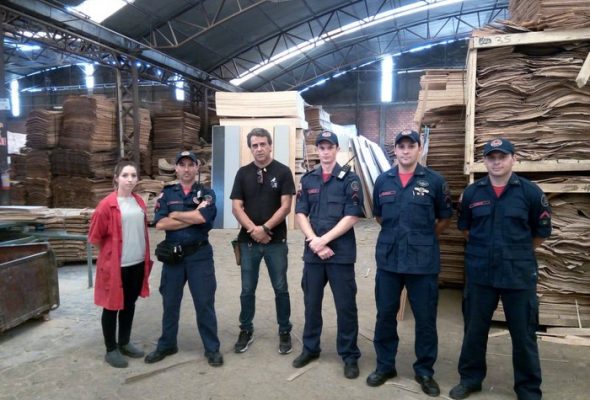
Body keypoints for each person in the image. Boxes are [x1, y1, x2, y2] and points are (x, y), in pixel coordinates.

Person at [449, 138, 552, 400]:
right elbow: (466, 229)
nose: (496, 162)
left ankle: (528, 389)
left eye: (502, 157)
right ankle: (470, 379)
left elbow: (540, 233)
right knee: (474, 331)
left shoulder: (530, 193)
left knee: (524, 334)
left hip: (518, 274)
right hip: (480, 273)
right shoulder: (472, 194)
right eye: (491, 157)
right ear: (484, 161)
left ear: (513, 159)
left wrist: (516, 252)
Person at [367, 130, 452, 396]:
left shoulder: (435, 181)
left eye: (410, 146)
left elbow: (444, 218)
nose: (405, 151)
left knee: (425, 319)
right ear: (395, 150)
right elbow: (379, 216)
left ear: (419, 148)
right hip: (389, 260)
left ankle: (424, 371)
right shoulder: (383, 180)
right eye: (401, 146)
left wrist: (423, 238)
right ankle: (385, 366)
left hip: (422, 262)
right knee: (385, 315)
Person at [293, 131, 364, 379]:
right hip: (314, 254)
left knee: (346, 307)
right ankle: (310, 349)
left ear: (336, 149)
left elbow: (352, 215)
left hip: (340, 254)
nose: (325, 152)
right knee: (311, 304)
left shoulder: (349, 179)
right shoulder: (308, 180)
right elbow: (300, 213)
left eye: (329, 147)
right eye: (321, 147)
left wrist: (323, 240)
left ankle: (349, 355)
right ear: (317, 150)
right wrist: (314, 241)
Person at [144, 150, 223, 367]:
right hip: (174, 257)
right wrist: (192, 217)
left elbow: (203, 218)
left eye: (190, 165)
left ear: (197, 167)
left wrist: (176, 215)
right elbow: (160, 223)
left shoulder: (207, 194)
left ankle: (212, 348)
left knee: (204, 302)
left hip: (200, 256)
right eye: (182, 165)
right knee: (170, 302)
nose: (186, 169)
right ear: (176, 168)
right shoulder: (167, 193)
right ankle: (167, 344)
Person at [230, 128, 296, 354]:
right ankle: (245, 329)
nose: (259, 149)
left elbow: (286, 207)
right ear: (250, 148)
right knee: (247, 289)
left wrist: (266, 228)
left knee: (281, 288)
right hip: (248, 243)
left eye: (262, 144)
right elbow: (236, 207)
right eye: (254, 145)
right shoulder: (242, 174)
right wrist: (254, 230)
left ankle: (284, 330)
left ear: (270, 146)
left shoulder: (283, 172)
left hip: (276, 241)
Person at [88, 160, 153, 368]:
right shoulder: (106, 205)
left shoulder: (139, 202)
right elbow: (95, 237)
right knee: (111, 306)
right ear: (116, 178)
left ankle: (124, 342)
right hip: (116, 266)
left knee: (129, 304)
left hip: (137, 262)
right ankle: (111, 349)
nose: (130, 179)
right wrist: (110, 256)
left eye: (133, 175)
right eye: (125, 175)